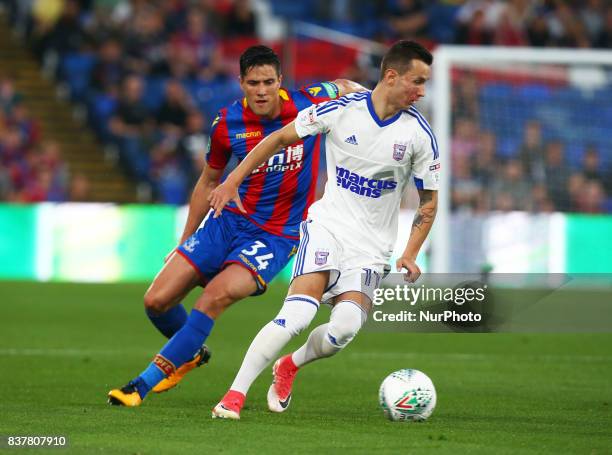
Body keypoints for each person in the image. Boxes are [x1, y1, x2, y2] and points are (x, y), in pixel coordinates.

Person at [107, 45, 365, 406]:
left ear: (280, 82)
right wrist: (185, 240)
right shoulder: (226, 124)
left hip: (277, 235)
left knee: (213, 297)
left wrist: (376, 98)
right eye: (254, 82)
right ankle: (191, 353)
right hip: (227, 223)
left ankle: (141, 385)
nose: (262, 90)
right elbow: (207, 182)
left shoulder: (308, 103)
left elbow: (344, 86)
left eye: (269, 82)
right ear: (241, 82)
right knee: (157, 301)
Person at [208, 40, 440, 419]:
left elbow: (428, 202)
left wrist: (410, 251)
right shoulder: (342, 110)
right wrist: (233, 178)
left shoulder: (418, 135)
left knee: (344, 330)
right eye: (417, 81)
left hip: (371, 247)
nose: (422, 91)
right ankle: (233, 395)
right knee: (297, 315)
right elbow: (279, 137)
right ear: (392, 76)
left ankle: (289, 365)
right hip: (327, 227)